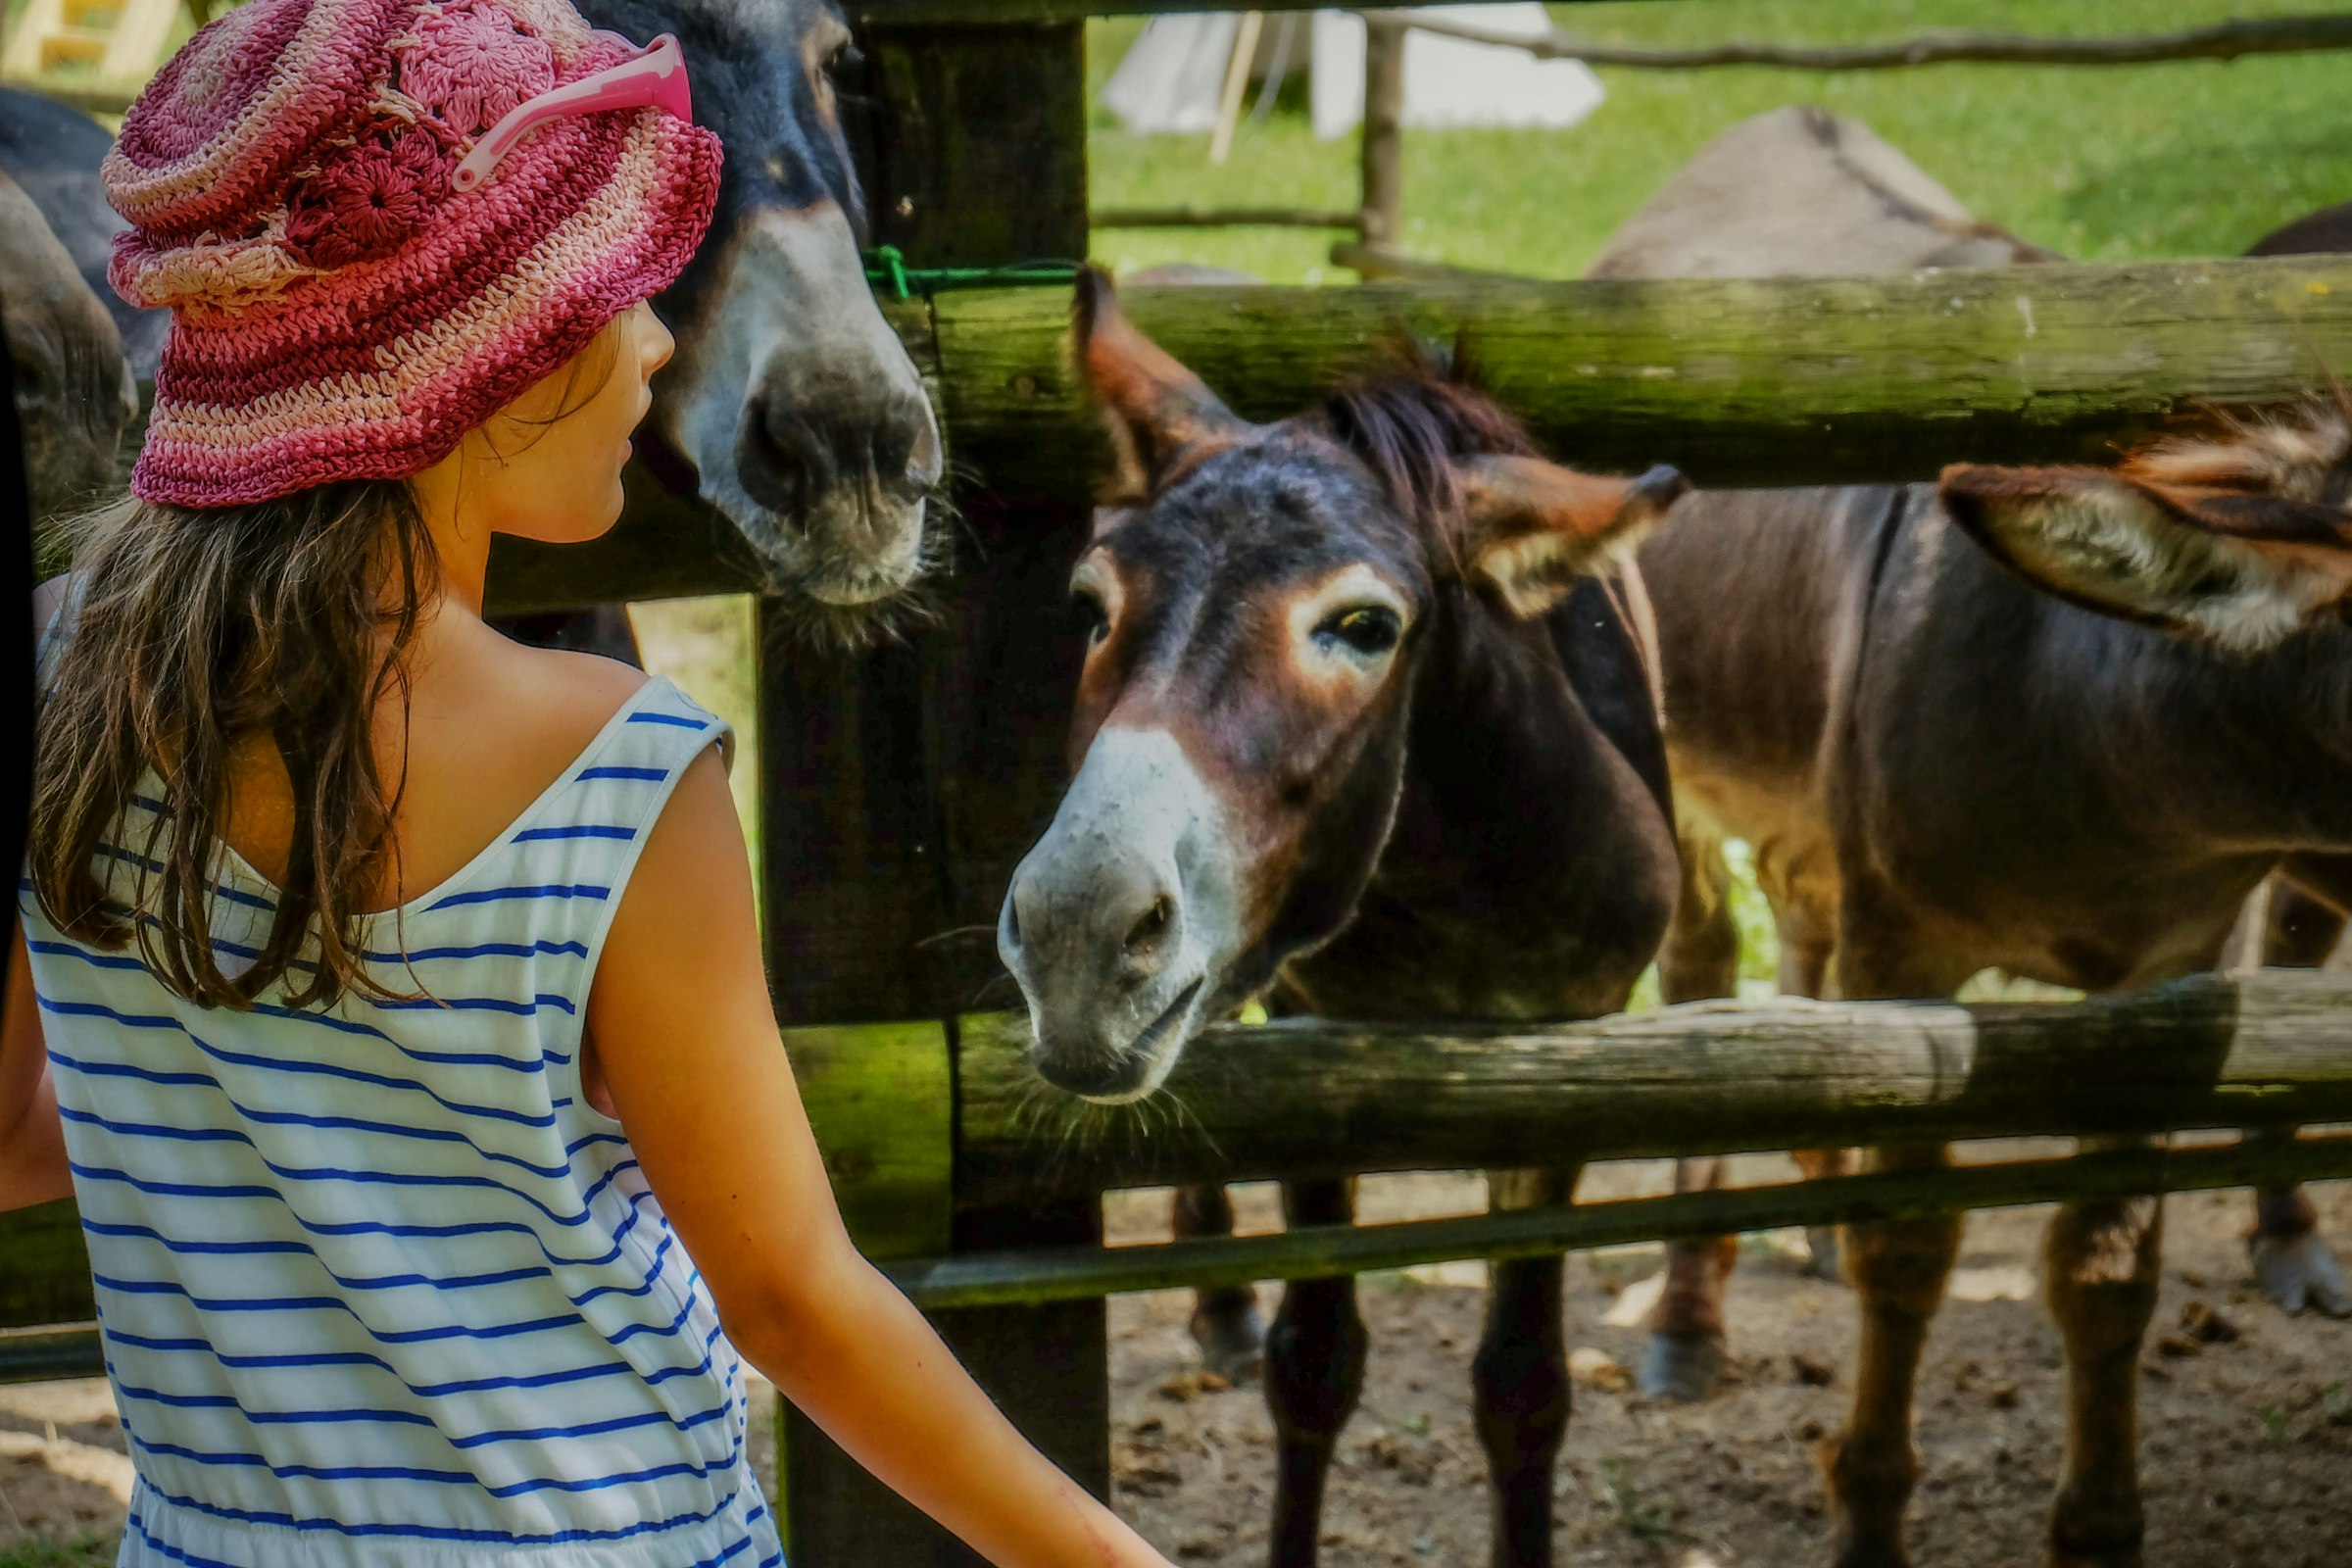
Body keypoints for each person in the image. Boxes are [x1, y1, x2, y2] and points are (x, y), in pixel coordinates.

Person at [0, 1, 1176, 1564]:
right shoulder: (614, 771)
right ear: (459, 361)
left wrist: (279, 1096)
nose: (656, 340)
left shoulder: (73, 691)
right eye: (604, 293)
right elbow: (793, 1300)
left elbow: (16, 1143)